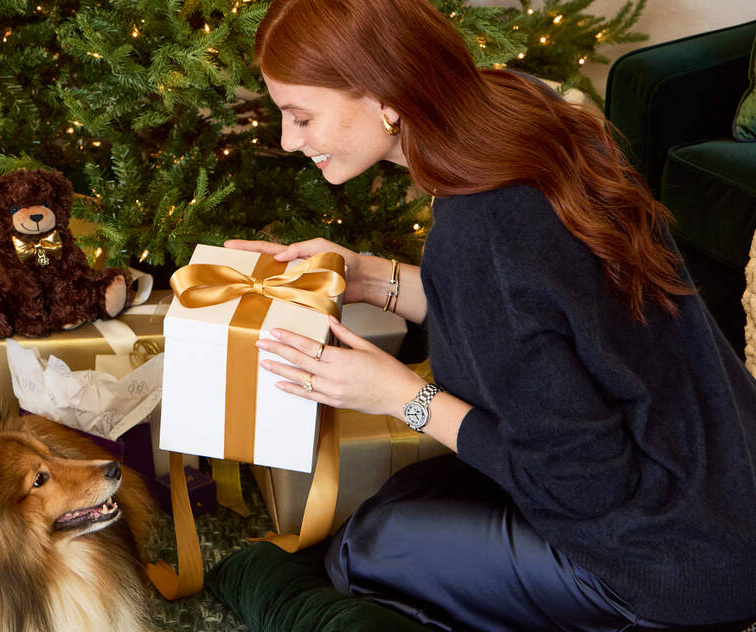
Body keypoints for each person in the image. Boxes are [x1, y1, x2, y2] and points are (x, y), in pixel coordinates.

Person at [225, 0, 756, 630]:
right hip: (728, 478)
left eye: (300, 116)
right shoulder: (518, 105)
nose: (289, 141)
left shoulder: (483, 227)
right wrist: (370, 277)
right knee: (406, 501)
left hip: (672, 563)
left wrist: (402, 396)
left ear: (384, 96)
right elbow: (530, 314)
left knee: (361, 551)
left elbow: (583, 486)